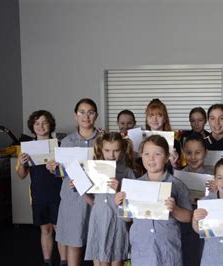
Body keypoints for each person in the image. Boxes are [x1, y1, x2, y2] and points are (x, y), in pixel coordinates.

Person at [114, 135, 192, 265]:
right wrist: (120, 204)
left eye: (157, 154)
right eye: (146, 154)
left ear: (167, 157)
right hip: (142, 250)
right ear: (141, 156)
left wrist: (175, 209)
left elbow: (188, 217)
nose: (151, 158)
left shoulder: (177, 185)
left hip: (168, 250)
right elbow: (128, 218)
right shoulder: (134, 186)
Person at [53, 98, 101, 266]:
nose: (86, 116)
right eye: (81, 112)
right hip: (72, 197)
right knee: (74, 242)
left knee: (98, 242)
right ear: (75, 115)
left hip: (97, 195)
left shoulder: (103, 139)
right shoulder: (66, 142)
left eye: (90, 112)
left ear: (96, 115)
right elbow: (61, 173)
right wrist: (54, 167)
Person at [16, 110, 64, 266]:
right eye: (37, 123)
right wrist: (23, 163)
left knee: (60, 230)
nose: (41, 126)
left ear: (50, 125)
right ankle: (47, 262)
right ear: (32, 126)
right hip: (38, 195)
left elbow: (68, 173)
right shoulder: (26, 149)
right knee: (45, 230)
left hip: (59, 194)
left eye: (44, 122)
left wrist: (58, 168)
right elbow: (21, 175)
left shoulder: (60, 146)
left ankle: (64, 262)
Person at [84, 133, 135, 266]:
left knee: (116, 259)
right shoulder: (94, 170)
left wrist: (118, 191)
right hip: (98, 219)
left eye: (116, 151)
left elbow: (133, 208)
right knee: (99, 259)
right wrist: (80, 188)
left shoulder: (128, 172)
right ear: (101, 150)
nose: (111, 155)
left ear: (122, 150)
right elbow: (93, 202)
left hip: (117, 222)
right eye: (107, 150)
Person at [179, 132, 213, 266]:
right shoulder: (177, 177)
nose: (193, 157)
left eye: (197, 152)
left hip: (207, 228)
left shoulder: (216, 177)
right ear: (183, 153)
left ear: (206, 153)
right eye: (188, 152)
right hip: (183, 229)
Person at [144, 98, 181, 170]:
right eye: (151, 115)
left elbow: (179, 171)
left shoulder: (174, 142)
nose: (154, 119)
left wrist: (174, 164)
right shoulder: (138, 139)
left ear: (164, 119)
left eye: (159, 115)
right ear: (147, 119)